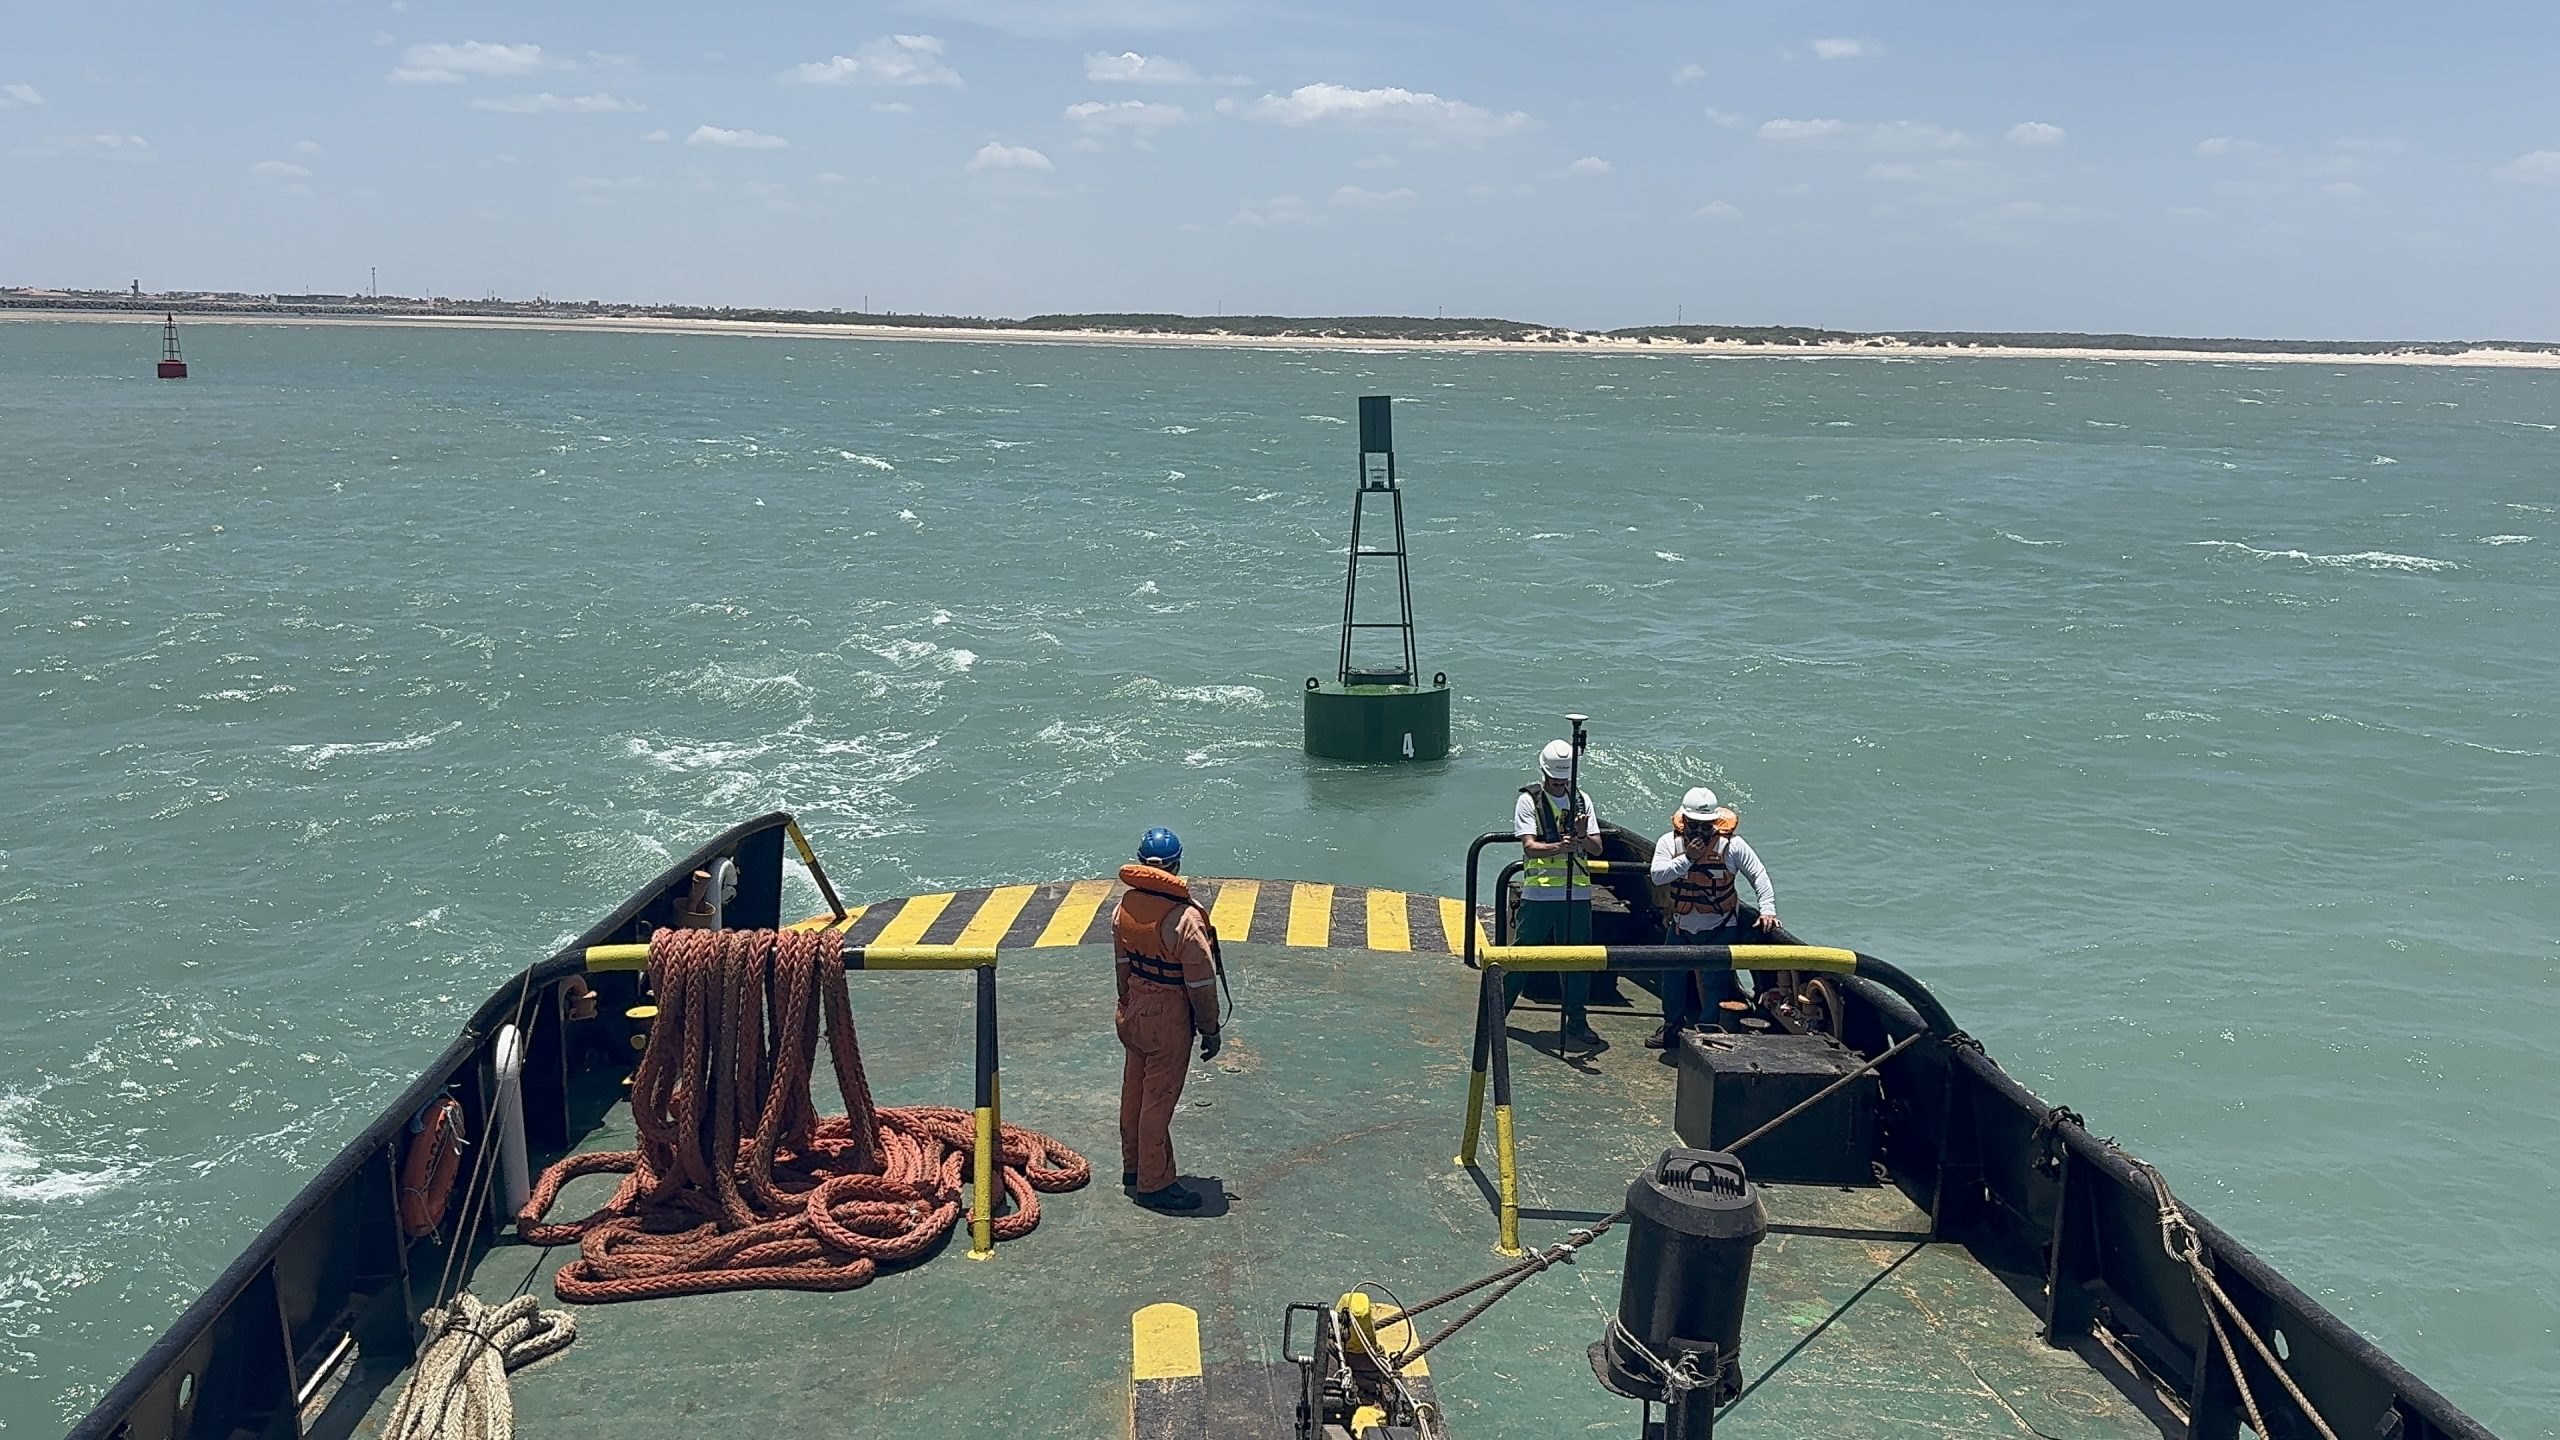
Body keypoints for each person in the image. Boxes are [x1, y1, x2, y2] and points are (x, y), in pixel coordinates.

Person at [1113, 826, 1224, 1214]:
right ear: (1176, 865)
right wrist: (1209, 1029)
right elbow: (1200, 984)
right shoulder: (1185, 919)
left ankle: (1133, 1167)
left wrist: (1128, 1000)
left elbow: (1122, 965)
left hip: (1133, 1008)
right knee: (1158, 1102)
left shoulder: (1124, 906)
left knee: (1134, 1091)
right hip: (1168, 1017)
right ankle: (1155, 1183)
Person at [1646, 787, 1780, 1050]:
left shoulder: (1732, 846)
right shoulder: (1669, 843)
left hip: (1719, 926)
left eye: (1705, 827)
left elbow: (1758, 875)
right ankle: (1671, 1026)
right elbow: (1658, 875)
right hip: (1682, 926)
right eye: (1693, 826)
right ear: (1683, 822)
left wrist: (1768, 910)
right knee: (1671, 979)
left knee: (1714, 984)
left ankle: (1706, 1033)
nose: (1698, 833)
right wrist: (1688, 859)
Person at [1507, 739, 1606, 1053]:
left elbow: (1596, 847)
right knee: (1522, 955)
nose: (1559, 784)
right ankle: (1496, 1011)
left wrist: (1580, 834)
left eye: (1563, 780)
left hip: (1576, 893)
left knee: (1578, 959)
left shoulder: (1582, 801)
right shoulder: (1528, 801)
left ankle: (1576, 1019)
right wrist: (1561, 847)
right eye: (1554, 780)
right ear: (1544, 774)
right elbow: (1529, 846)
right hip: (1539, 895)